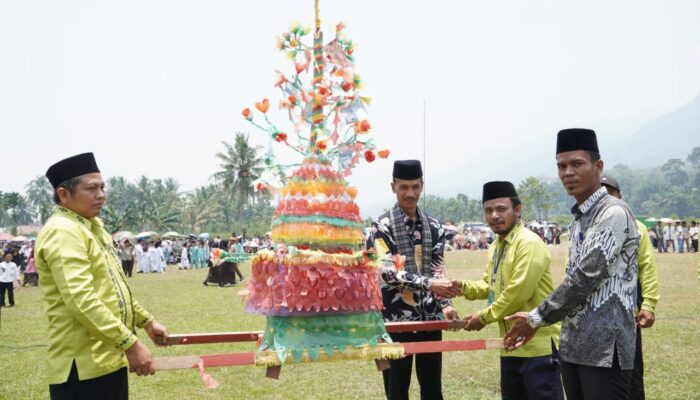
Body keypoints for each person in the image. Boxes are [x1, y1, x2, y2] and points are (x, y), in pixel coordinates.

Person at [504, 129, 640, 400]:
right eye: (561, 166)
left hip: (605, 349)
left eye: (577, 164)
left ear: (598, 166)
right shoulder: (579, 218)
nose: (568, 172)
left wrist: (536, 318)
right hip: (573, 344)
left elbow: (584, 277)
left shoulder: (612, 213)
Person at [34, 152, 169, 400]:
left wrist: (147, 322)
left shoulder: (91, 228)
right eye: (92, 188)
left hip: (107, 356)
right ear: (64, 194)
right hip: (83, 366)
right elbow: (81, 300)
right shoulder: (63, 231)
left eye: (103, 187)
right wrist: (130, 344)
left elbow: (113, 289)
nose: (101, 195)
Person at [457, 181, 563, 400]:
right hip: (509, 345)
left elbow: (517, 293)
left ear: (517, 209)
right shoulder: (497, 245)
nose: (494, 215)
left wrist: (483, 317)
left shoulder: (528, 243)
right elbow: (491, 285)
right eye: (488, 210)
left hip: (537, 348)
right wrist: (462, 287)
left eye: (501, 209)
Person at [366, 159, 460, 400]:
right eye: (404, 187)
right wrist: (428, 283)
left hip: (429, 318)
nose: (410, 193)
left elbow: (437, 268)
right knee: (396, 389)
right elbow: (386, 272)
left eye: (415, 187)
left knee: (432, 389)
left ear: (422, 186)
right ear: (393, 187)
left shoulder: (434, 226)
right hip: (394, 321)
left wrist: (446, 305)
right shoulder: (380, 228)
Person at [601, 174, 660, 400]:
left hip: (627, 311)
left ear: (620, 196)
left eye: (611, 193)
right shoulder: (587, 225)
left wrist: (649, 304)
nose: (606, 198)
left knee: (631, 371)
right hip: (593, 315)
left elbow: (646, 267)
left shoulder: (636, 227)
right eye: (602, 193)